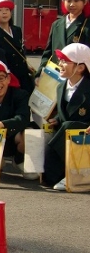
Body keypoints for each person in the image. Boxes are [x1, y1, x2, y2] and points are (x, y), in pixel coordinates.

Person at [42, 43, 90, 190]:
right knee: (48, 179)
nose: (60, 64)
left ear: (80, 67)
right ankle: (69, 172)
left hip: (85, 136)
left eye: (65, 61)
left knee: (69, 126)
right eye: (60, 60)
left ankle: (78, 173)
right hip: (67, 138)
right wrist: (56, 120)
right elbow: (66, 114)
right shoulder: (61, 86)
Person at [36, 0, 90, 80]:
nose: (72, 4)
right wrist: (40, 73)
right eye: (68, 0)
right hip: (55, 75)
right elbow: (48, 53)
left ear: (85, 1)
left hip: (78, 77)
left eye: (76, 0)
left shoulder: (87, 25)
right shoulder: (56, 25)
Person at [0, 0, 35, 95]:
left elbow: (19, 50)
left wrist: (26, 66)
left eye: (7, 10)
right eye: (0, 10)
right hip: (9, 73)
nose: (4, 13)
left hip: (23, 72)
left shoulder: (16, 30)